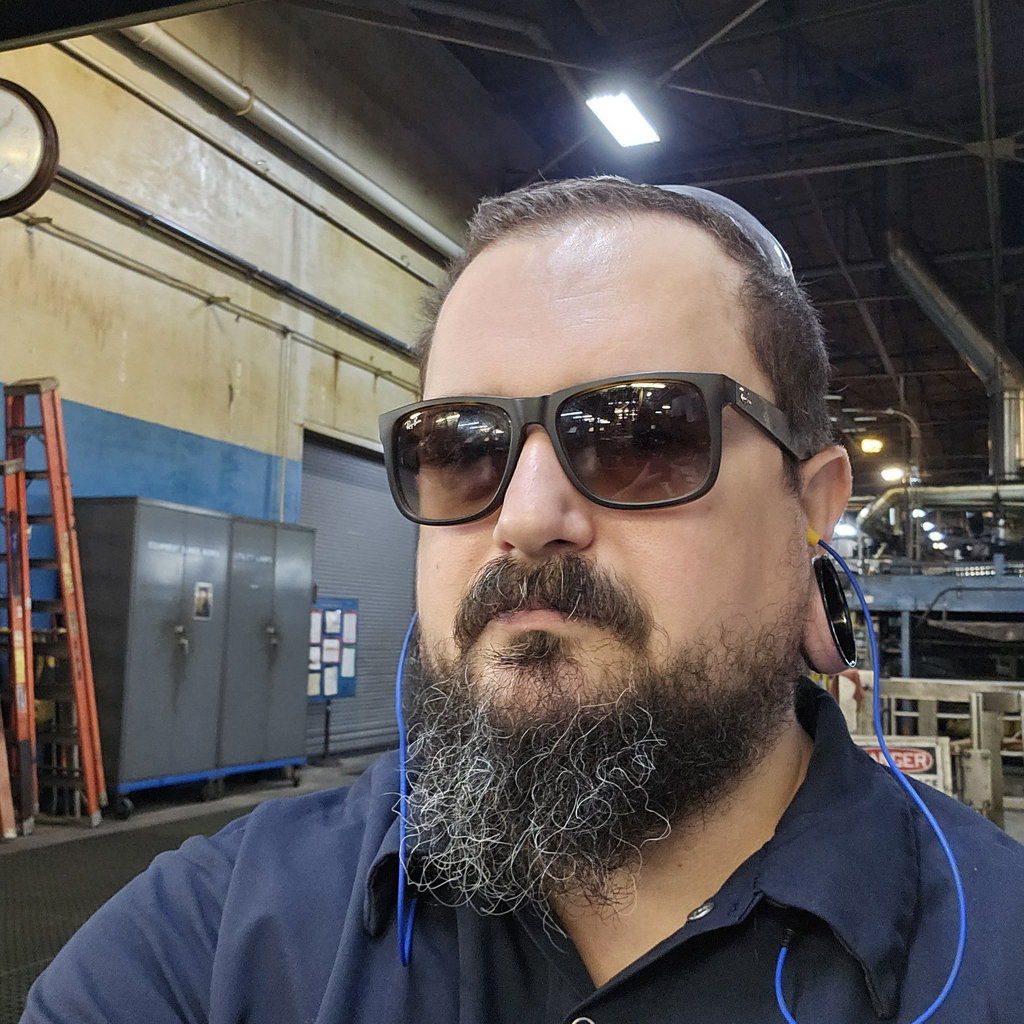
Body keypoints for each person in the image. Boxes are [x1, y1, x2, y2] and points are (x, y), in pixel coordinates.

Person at [21, 177, 1024, 1023]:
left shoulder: (993, 955)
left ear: (810, 508)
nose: (526, 516)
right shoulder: (209, 945)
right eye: (461, 448)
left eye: (640, 436)